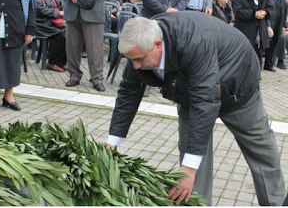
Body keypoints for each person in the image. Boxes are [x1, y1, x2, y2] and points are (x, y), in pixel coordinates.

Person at [106, 13, 286, 206]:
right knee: (190, 157)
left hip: (237, 87)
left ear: (158, 44)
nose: (135, 66)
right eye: (131, 60)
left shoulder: (194, 41)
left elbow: (205, 101)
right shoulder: (140, 46)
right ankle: (198, 203)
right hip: (191, 92)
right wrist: (112, 143)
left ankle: (274, 203)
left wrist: (189, 168)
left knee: (260, 148)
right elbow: (128, 92)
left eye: (139, 59)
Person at [233, 0, 273, 69]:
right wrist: (253, 14)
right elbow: (238, 11)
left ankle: (256, 78)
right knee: (245, 56)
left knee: (258, 56)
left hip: (260, 31)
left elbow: (271, 8)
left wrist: (265, 12)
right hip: (246, 30)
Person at [33, 0, 67, 72]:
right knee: (63, 34)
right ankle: (52, 62)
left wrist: (64, 12)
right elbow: (40, 9)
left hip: (51, 22)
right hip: (40, 24)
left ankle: (61, 62)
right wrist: (58, 13)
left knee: (72, 32)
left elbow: (60, 5)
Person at [264, 0, 287, 71]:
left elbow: (285, 12)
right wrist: (267, 25)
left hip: (278, 24)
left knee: (273, 45)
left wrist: (284, 25)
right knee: (264, 45)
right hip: (267, 23)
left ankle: (269, 65)